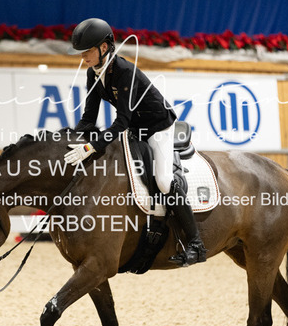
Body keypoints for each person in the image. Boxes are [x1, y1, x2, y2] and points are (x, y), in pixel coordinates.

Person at [63, 18, 206, 266]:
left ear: (104, 48)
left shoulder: (125, 72)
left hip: (158, 126)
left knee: (163, 181)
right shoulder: (92, 73)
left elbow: (121, 122)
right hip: (135, 129)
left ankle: (196, 244)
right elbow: (88, 118)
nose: (82, 57)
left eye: (87, 51)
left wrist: (90, 147)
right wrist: (70, 141)